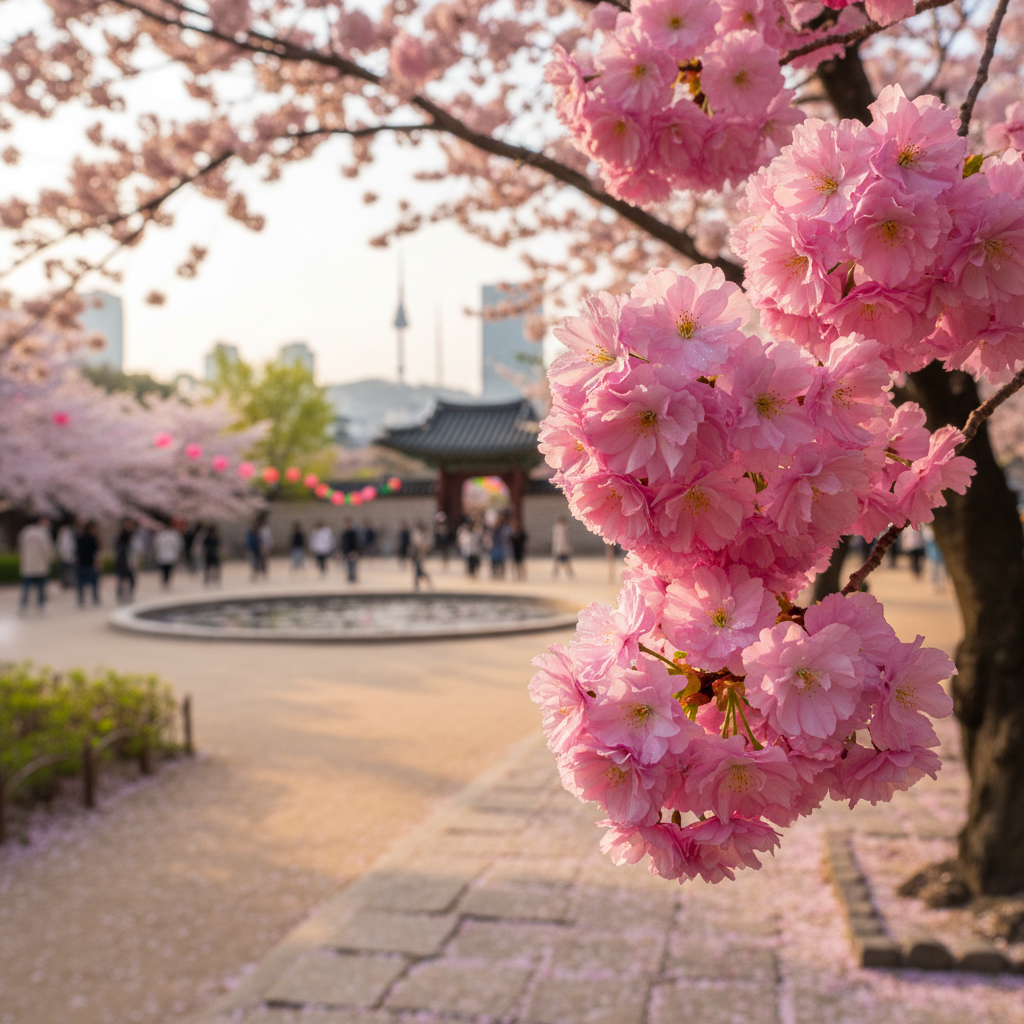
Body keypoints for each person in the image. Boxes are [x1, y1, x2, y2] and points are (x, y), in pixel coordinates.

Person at [18, 516, 53, 613]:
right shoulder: (42, 533)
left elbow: (20, 547)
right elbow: (47, 549)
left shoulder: (25, 532)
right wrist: (49, 558)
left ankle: (23, 606)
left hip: (28, 564)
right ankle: (41, 606)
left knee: (26, 587)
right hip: (40, 564)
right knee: (41, 587)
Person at [76, 520, 101, 606]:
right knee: (93, 583)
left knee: (81, 584)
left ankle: (81, 600)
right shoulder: (92, 538)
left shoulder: (80, 538)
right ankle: (95, 599)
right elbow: (95, 552)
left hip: (82, 563)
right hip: (89, 562)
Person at [113, 518, 138, 603]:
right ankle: (121, 596)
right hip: (122, 562)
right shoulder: (121, 537)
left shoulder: (133, 536)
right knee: (121, 579)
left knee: (132, 579)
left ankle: (129, 594)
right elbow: (118, 549)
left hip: (129, 561)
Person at [153, 520, 183, 589]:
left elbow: (178, 545)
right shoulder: (161, 535)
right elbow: (156, 545)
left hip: (170, 555)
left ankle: (166, 580)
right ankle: (165, 580)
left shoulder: (173, 535)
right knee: (164, 570)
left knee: (168, 570)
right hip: (163, 555)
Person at [410, 521, 432, 591]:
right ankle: (417, 584)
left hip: (420, 554)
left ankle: (418, 583)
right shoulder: (416, 533)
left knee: (418, 569)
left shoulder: (425, 535)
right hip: (416, 554)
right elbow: (415, 543)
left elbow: (426, 545)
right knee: (417, 569)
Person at [56, 520, 77, 588]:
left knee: (66, 571)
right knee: (68, 571)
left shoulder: (63, 534)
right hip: (67, 555)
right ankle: (68, 583)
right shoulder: (67, 534)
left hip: (66, 555)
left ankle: (67, 583)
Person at [339, 518, 360, 583]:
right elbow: (343, 543)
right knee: (348, 565)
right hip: (346, 551)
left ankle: (352, 576)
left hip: (352, 551)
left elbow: (355, 542)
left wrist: (353, 550)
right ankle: (350, 576)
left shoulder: (353, 533)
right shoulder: (344, 533)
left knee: (352, 564)